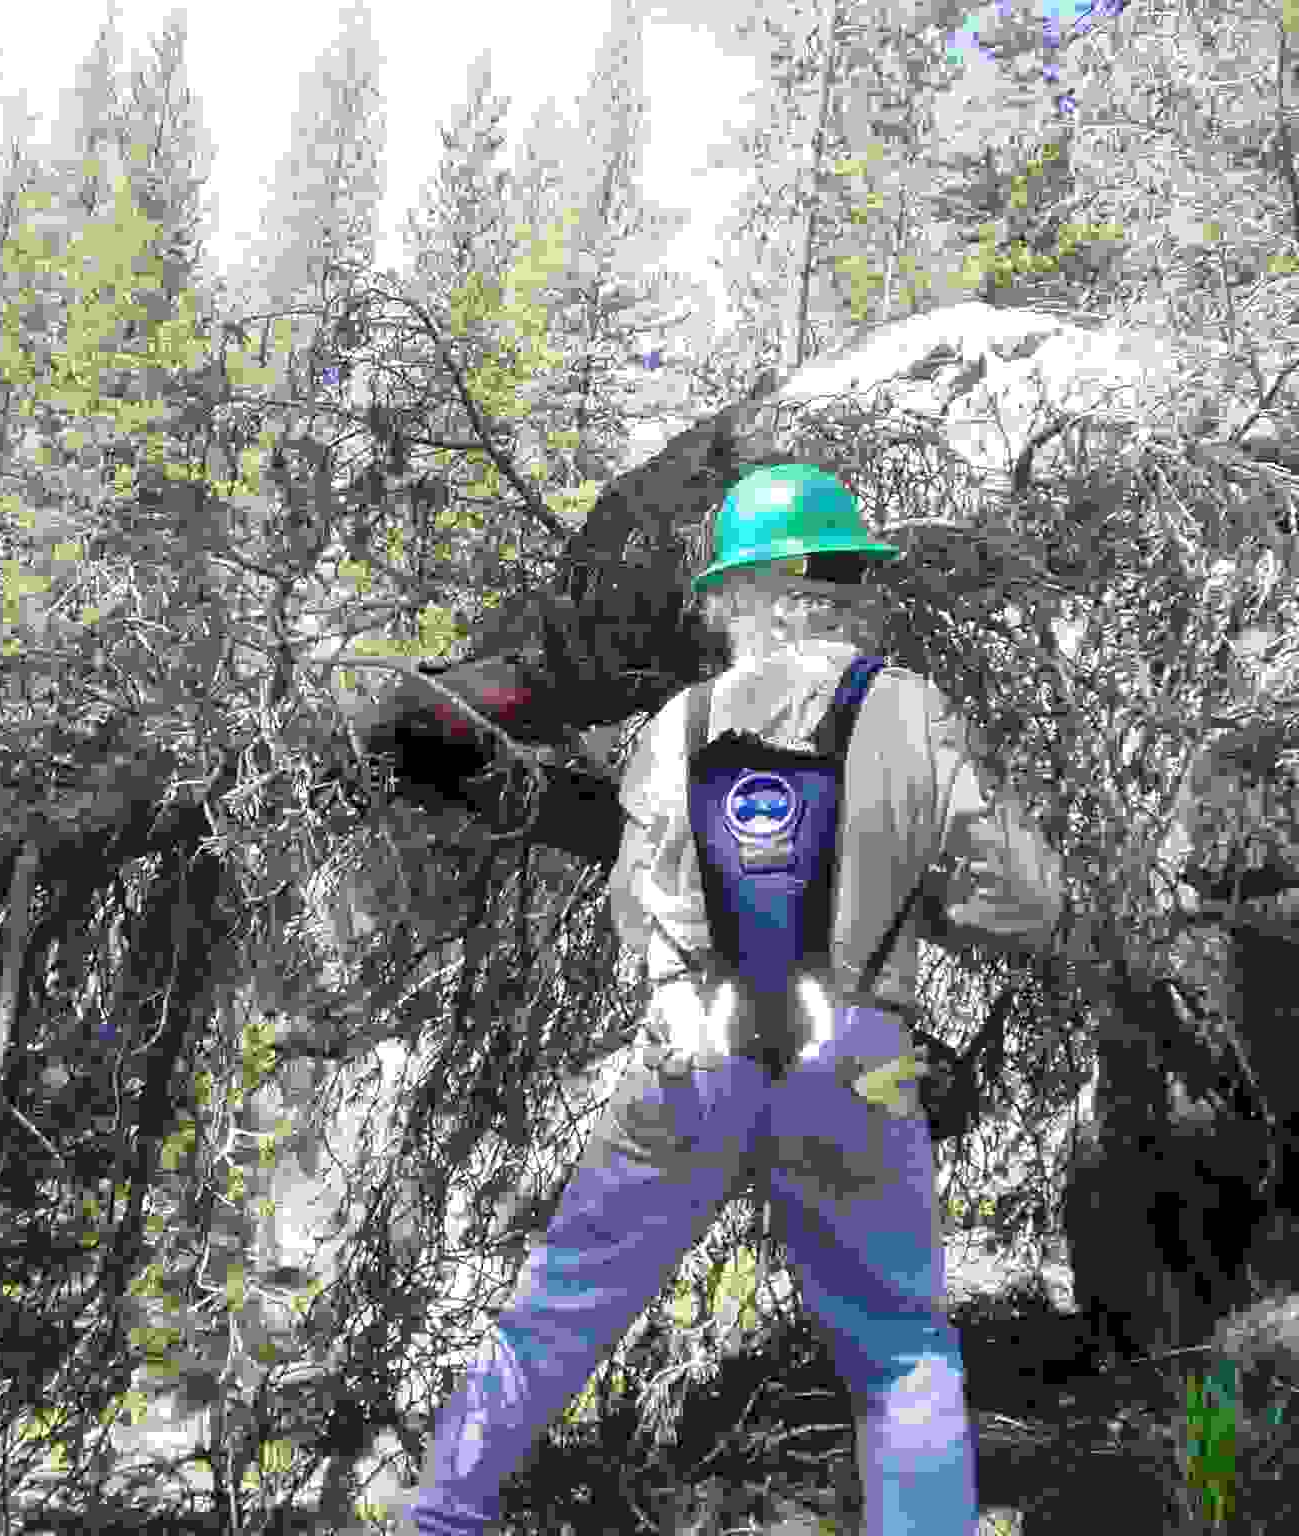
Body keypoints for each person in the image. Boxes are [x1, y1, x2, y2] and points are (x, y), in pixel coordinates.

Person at [392, 464, 1067, 1536]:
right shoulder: (907, 710)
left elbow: (635, 905)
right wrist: (915, 909)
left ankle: (439, 1519)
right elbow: (1025, 905)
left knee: (558, 1316)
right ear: (845, 587)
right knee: (898, 1349)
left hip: (692, 1053)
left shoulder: (679, 722)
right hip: (853, 1061)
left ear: (736, 594)